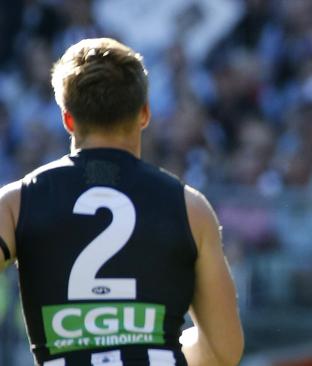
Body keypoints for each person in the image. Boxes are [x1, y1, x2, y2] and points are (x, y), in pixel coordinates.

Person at [0, 38, 243, 366]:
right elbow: (224, 349)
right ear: (144, 114)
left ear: (68, 120)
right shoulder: (191, 208)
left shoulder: (16, 203)